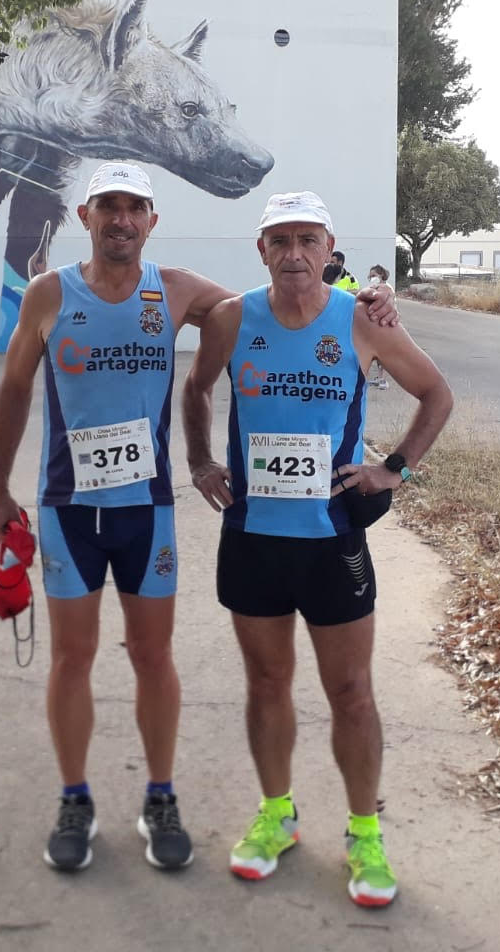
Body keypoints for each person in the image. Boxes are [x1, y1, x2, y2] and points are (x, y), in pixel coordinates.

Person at [0, 164, 398, 876]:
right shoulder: (48, 294)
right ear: (86, 216)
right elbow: (15, 389)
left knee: (153, 658)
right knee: (71, 659)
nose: (121, 219)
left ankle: (161, 798)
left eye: (135, 207)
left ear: (152, 220)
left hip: (147, 512)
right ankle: (75, 800)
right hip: (67, 510)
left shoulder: (177, 290)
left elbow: (280, 299)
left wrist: (371, 300)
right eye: (108, 205)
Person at [182, 190, 453, 909]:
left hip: (333, 542)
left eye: (308, 240)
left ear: (329, 249)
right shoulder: (232, 318)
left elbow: (436, 394)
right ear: (262, 250)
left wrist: (394, 469)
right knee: (267, 684)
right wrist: (201, 461)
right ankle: (277, 815)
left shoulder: (362, 320)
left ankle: (365, 832)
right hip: (252, 539)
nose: (294, 253)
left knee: (352, 691)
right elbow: (197, 388)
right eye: (280, 240)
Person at [364, 265, 391, 389]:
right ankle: (379, 378)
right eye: (370, 276)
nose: (371, 278)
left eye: (374, 275)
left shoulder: (385, 288)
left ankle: (382, 380)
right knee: (374, 353)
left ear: (381, 275)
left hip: (383, 325)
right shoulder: (376, 288)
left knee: (380, 354)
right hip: (375, 325)